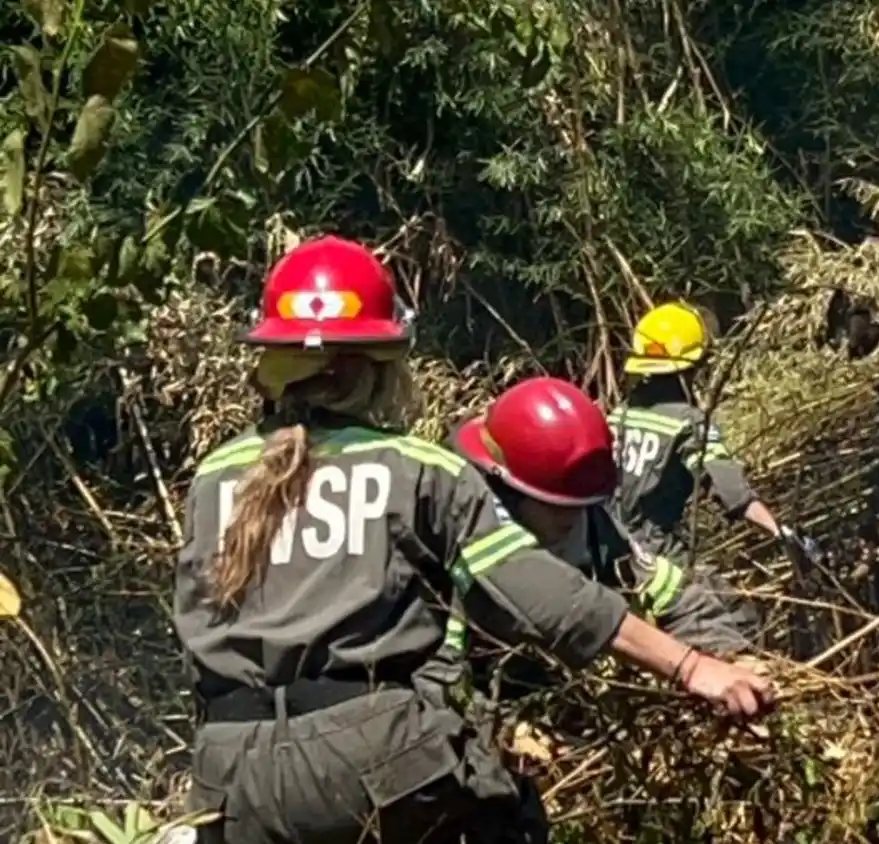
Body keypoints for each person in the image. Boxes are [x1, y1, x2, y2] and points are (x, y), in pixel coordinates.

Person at [173, 236, 774, 844]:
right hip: (372, 759)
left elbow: (196, 632)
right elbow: (547, 600)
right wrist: (695, 668)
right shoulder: (416, 469)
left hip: (229, 772)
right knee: (508, 815)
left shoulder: (213, 476)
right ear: (383, 367)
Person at [447, 376, 760, 684]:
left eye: (582, 503)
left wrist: (729, 655)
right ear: (508, 489)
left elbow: (670, 590)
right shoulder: (459, 538)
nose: (573, 517)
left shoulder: (594, 526)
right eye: (557, 506)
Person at [607, 302, 822, 568]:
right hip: (653, 553)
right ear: (696, 364)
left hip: (609, 547)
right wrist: (780, 532)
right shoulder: (690, 423)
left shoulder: (621, 413)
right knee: (728, 610)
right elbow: (732, 492)